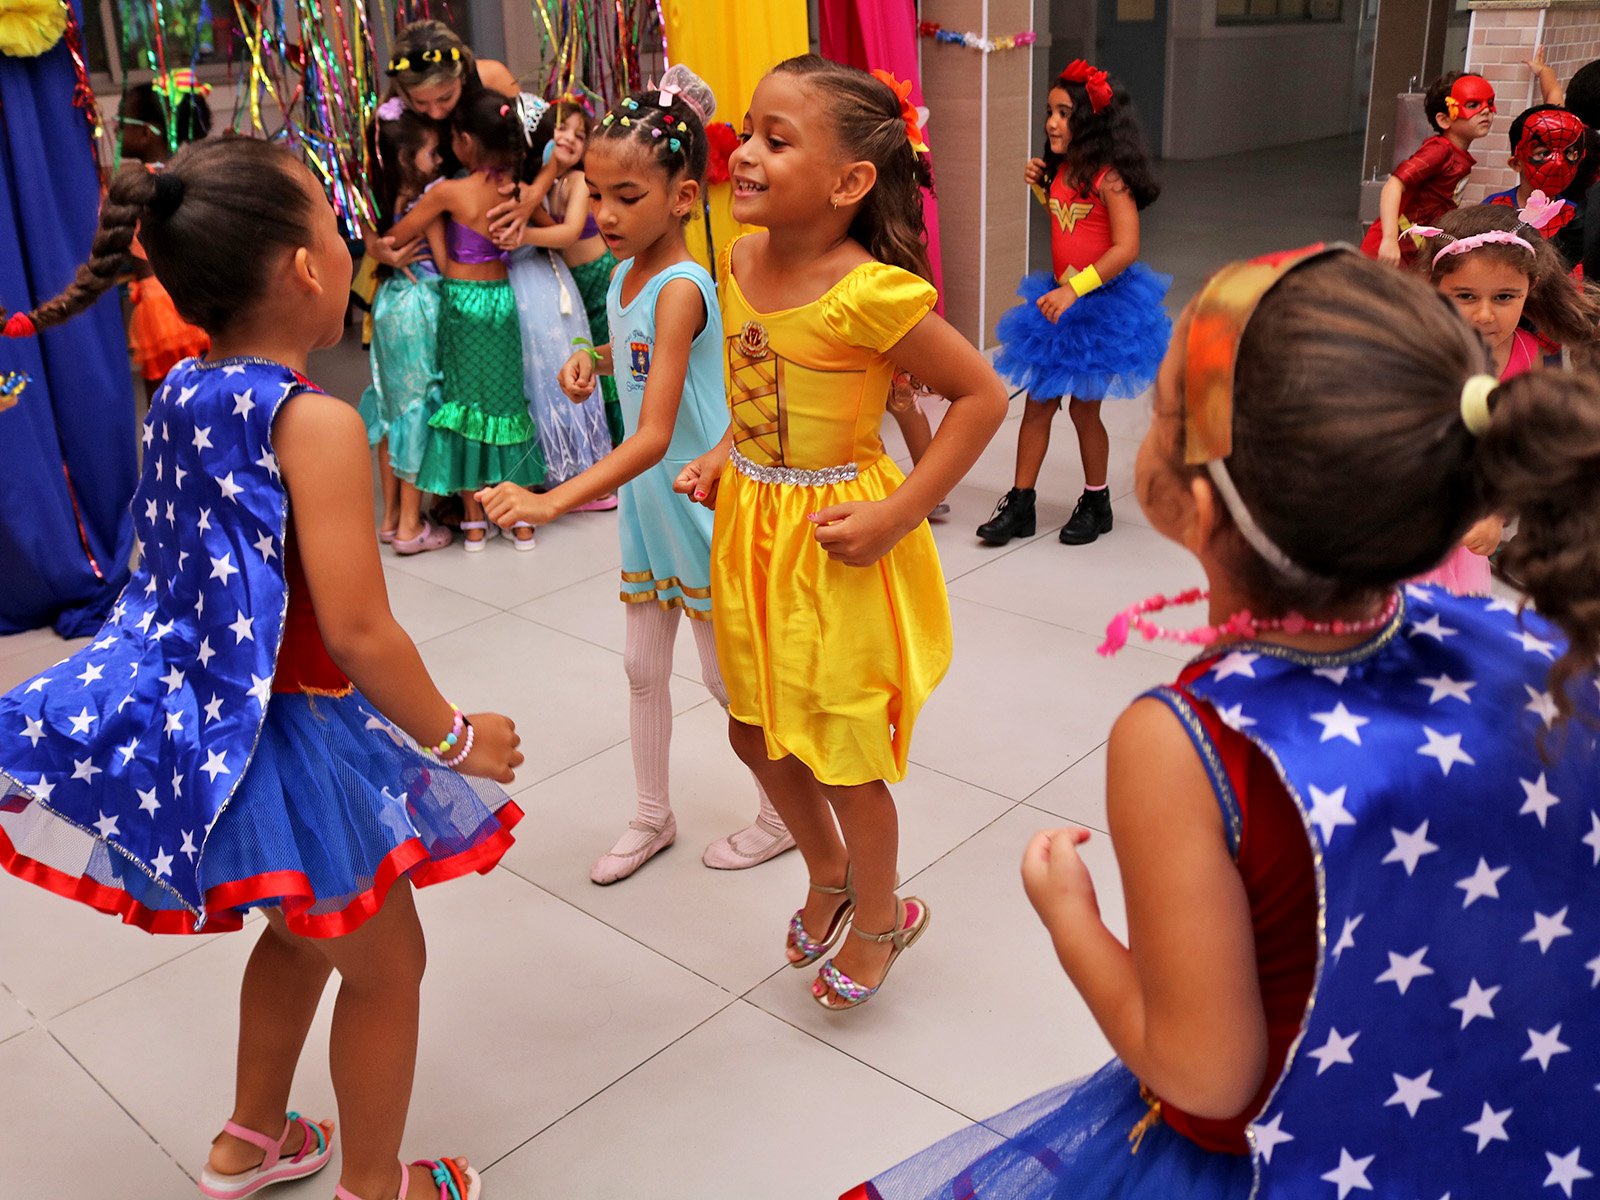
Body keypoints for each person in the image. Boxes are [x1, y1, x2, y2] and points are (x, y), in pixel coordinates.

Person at [847, 245, 1600, 1200]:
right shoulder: (1533, 638)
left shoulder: (1185, 741)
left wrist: (1070, 916)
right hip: (1502, 1131)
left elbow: (1204, 1077)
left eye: (1165, 414)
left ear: (1196, 504)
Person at [0, 138, 524, 1200]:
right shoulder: (313, 423)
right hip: (291, 745)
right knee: (390, 971)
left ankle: (251, 1138)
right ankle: (376, 1184)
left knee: (299, 937)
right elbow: (361, 632)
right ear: (304, 266)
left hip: (213, 733)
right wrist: (458, 737)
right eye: (334, 225)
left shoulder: (184, 390)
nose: (347, 243)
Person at [673, 56, 1009, 1009]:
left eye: (777, 140)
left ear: (850, 181)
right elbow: (758, 391)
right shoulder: (741, 261)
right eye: (747, 130)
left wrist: (898, 513)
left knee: (844, 751)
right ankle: (827, 870)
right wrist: (726, 452)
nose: (745, 152)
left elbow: (983, 396)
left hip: (837, 539)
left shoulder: (870, 293)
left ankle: (881, 915)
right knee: (753, 729)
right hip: (752, 528)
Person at [479, 65, 796, 881]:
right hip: (650, 507)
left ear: (684, 198)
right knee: (642, 669)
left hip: (695, 498)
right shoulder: (625, 277)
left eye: (627, 196)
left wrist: (551, 502)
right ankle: (652, 816)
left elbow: (655, 434)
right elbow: (641, 356)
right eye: (595, 194)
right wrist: (594, 357)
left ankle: (782, 816)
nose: (606, 215)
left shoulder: (684, 288)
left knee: (727, 682)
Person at [976, 61, 1170, 548]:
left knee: (1085, 412)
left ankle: (1097, 501)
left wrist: (1074, 289)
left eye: (1064, 113)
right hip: (1060, 303)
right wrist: (1041, 188)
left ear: (1091, 122)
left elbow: (1125, 247)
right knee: (1037, 406)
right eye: (1050, 112)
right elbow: (1071, 222)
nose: (1052, 123)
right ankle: (1021, 502)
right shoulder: (1063, 172)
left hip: (1099, 307)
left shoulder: (1111, 178)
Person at [384, 90, 547, 550]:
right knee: (507, 404)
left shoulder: (449, 193)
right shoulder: (513, 187)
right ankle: (520, 520)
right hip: (501, 300)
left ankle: (474, 522)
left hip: (461, 305)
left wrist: (388, 240)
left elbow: (398, 234)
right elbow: (545, 213)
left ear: (467, 142)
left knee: (464, 404)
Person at [1410, 200, 1600, 592]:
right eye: (1465, 296)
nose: (1485, 315)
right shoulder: (1420, 356)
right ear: (1433, 287)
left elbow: (1515, 450)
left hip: (1468, 532)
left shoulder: (1529, 355)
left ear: (1531, 289)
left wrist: (1495, 513)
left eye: (1504, 297)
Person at [501, 94, 616, 491]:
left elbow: (567, 233)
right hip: (573, 280)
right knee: (588, 357)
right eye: (561, 128)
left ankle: (615, 459)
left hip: (598, 277)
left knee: (606, 358)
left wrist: (523, 237)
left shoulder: (580, 180)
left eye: (579, 134)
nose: (569, 138)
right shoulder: (547, 180)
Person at [359, 103, 451, 555]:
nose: (438, 160)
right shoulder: (425, 205)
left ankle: (392, 517)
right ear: (404, 158)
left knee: (391, 408)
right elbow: (447, 265)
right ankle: (413, 526)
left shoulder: (378, 203)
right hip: (421, 304)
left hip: (389, 302)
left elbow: (374, 241)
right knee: (419, 408)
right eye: (431, 153)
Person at [117, 74, 213, 403]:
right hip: (188, 298)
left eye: (122, 123)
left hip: (162, 307)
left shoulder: (145, 184)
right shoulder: (180, 175)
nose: (115, 129)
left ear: (146, 132)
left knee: (165, 407)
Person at [1362, 71, 1496, 266]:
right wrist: (1389, 239)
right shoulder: (1440, 150)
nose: (1485, 111)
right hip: (1388, 252)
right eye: (1473, 105)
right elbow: (1393, 186)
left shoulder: (1456, 155)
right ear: (1444, 120)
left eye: (1489, 103)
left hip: (1412, 251)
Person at [1484, 105, 1587, 262]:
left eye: (1568, 153)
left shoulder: (1576, 219)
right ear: (1516, 163)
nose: (1559, 163)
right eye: (1544, 153)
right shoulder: (1493, 208)